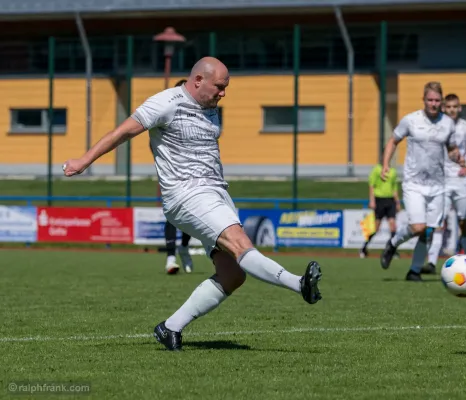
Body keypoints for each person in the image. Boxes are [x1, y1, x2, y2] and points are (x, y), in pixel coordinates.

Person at [62, 57, 323, 351]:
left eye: (226, 88)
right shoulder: (166, 102)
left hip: (215, 193)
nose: (223, 93)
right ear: (198, 80)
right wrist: (84, 160)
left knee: (232, 275)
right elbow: (122, 132)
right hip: (187, 195)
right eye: (220, 87)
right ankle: (299, 284)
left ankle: (170, 327)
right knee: (240, 243)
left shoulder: (211, 109)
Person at [379, 81, 463, 281]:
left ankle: (414, 271)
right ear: (424, 100)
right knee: (418, 227)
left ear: (441, 101)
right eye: (430, 100)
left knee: (429, 231)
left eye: (437, 100)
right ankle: (393, 243)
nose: (433, 104)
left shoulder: (448, 124)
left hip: (437, 186)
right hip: (414, 183)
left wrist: (456, 156)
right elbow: (393, 140)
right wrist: (385, 164)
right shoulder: (411, 120)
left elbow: (451, 149)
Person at [424, 94, 466, 274]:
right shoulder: (438, 128)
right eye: (448, 107)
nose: (451, 110)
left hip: (462, 180)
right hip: (443, 181)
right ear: (443, 108)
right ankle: (431, 262)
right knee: (438, 222)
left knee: (464, 222)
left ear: (460, 108)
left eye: (455, 106)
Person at [161, 78, 193, 274]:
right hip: (172, 177)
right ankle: (171, 258)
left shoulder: (200, 116)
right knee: (172, 216)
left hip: (195, 177)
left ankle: (184, 247)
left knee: (190, 217)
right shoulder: (164, 115)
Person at [359, 163, 401, 258]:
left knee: (393, 227)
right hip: (379, 200)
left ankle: (392, 250)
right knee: (376, 228)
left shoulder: (393, 171)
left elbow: (394, 187)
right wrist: (372, 200)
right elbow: (371, 185)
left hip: (390, 201)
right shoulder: (376, 169)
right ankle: (363, 248)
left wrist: (397, 202)